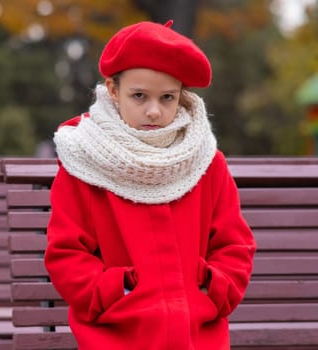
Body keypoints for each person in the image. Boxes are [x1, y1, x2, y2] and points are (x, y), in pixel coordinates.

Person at [44, 20, 257, 350]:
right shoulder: (83, 161)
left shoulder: (207, 162)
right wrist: (114, 291)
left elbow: (234, 245)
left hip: (198, 336)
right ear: (113, 91)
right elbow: (67, 253)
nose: (154, 111)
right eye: (139, 96)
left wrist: (212, 288)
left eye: (168, 97)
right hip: (116, 335)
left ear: (181, 96)